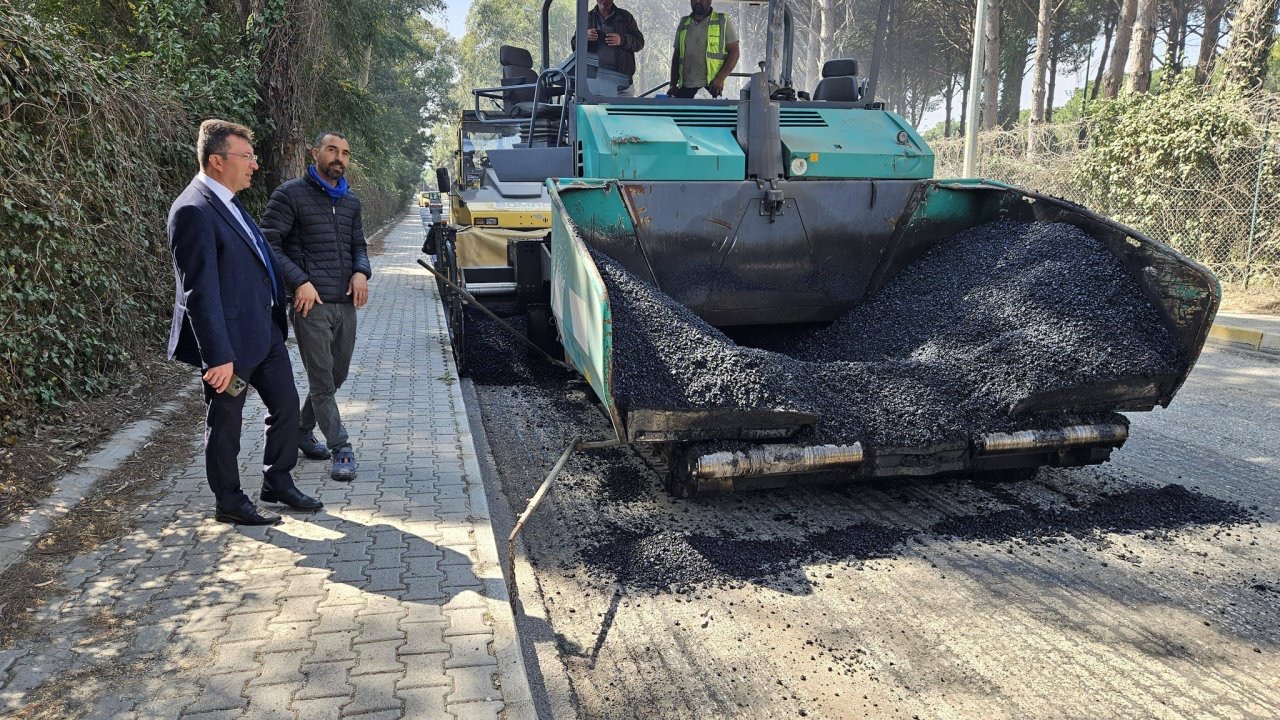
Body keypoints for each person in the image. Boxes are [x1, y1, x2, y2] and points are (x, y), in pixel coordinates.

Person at [167, 119, 323, 525]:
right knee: (226, 425)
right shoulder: (192, 210)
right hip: (229, 349)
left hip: (264, 336)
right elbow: (197, 292)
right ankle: (230, 502)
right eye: (247, 157)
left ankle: (277, 482)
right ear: (217, 161)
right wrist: (216, 356)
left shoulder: (232, 202)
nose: (254, 165)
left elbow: (259, 260)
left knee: (287, 407)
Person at [261, 131, 371, 482]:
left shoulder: (351, 201)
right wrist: (299, 281)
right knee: (322, 381)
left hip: (346, 303)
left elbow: (359, 244)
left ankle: (300, 430)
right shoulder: (290, 194)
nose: (339, 157)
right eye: (332, 150)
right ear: (316, 153)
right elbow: (268, 243)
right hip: (312, 306)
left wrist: (361, 272)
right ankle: (342, 448)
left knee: (336, 375)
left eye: (345, 152)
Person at [669, 0, 741, 99]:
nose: (698, 1)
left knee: (709, 114)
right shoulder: (683, 23)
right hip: (685, 89)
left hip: (712, 88)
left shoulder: (722, 21)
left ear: (710, 1)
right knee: (683, 114)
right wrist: (673, 84)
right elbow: (676, 57)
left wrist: (720, 79)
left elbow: (735, 53)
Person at [585, 0, 645, 96]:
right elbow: (574, 46)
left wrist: (622, 40)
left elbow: (640, 42)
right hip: (594, 85)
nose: (604, 1)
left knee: (622, 111)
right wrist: (584, 37)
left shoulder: (625, 17)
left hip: (622, 86)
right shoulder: (586, 18)